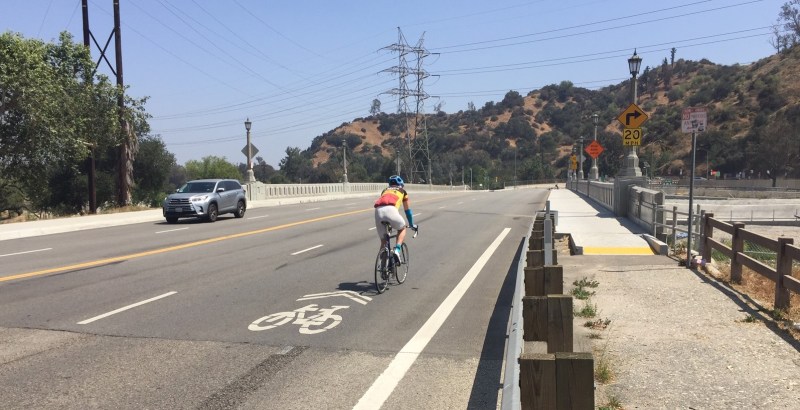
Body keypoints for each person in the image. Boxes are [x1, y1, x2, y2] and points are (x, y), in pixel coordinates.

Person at [374, 175, 415, 263]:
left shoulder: (385, 190)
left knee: (384, 241)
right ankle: (397, 250)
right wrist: (411, 224)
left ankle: (383, 266)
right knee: (402, 228)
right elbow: (408, 211)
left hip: (378, 212)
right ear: (401, 184)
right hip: (391, 210)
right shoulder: (403, 191)